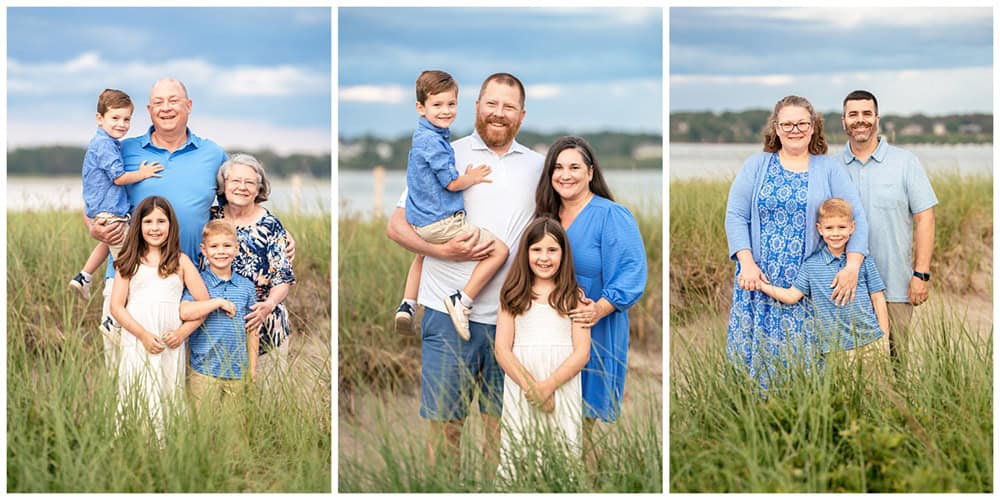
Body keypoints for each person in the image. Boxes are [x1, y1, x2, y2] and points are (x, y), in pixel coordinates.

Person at [386, 73, 544, 470]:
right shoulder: (444, 151)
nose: (498, 113)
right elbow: (397, 226)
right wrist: (440, 249)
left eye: (508, 107)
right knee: (445, 430)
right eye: (491, 103)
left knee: (503, 432)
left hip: (515, 320)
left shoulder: (540, 167)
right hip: (446, 316)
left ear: (521, 115)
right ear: (476, 106)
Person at [724, 95, 869, 389]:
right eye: (787, 124)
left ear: (813, 127)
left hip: (807, 285)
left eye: (802, 123)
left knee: (805, 364)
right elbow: (736, 215)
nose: (795, 130)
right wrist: (746, 263)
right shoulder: (757, 165)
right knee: (755, 360)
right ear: (776, 128)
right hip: (758, 280)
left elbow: (859, 218)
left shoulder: (827, 168)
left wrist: (852, 267)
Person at [90, 77, 227, 371]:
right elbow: (93, 195)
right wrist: (93, 226)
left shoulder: (213, 154)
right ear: (150, 110)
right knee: (124, 375)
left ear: (188, 106)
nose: (166, 108)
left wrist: (279, 236)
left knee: (180, 378)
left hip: (189, 282)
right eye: (159, 103)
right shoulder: (123, 150)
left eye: (174, 100)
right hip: (128, 281)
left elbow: (237, 206)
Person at [533, 135, 647, 469]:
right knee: (547, 424)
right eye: (557, 167)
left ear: (590, 172)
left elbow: (632, 272)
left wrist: (599, 308)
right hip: (547, 332)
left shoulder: (611, 215)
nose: (565, 175)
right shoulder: (544, 217)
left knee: (578, 427)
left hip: (593, 327)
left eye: (574, 167)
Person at [395, 70, 509, 341]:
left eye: (451, 104)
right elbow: (450, 184)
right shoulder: (434, 142)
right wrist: (471, 177)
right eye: (437, 105)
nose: (446, 111)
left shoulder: (423, 136)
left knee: (422, 254)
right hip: (440, 223)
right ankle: (463, 301)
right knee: (500, 251)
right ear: (420, 108)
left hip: (420, 221)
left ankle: (408, 303)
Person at [839, 90, 938, 360]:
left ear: (877, 119)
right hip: (846, 288)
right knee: (849, 367)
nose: (861, 120)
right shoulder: (831, 167)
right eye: (853, 115)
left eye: (867, 114)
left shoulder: (905, 163)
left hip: (896, 285)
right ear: (844, 121)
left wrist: (921, 274)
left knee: (897, 362)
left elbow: (925, 218)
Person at [494, 217, 590, 479]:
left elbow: (582, 352)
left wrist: (547, 387)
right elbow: (502, 349)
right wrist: (532, 388)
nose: (544, 257)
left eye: (552, 250)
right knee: (519, 453)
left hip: (560, 386)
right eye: (536, 249)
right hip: (523, 385)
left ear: (563, 254)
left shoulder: (575, 297)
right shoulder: (512, 294)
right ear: (526, 253)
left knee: (562, 453)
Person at [109, 196, 211, 442]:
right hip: (138, 338)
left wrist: (182, 333)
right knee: (138, 385)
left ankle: (164, 446)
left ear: (171, 225)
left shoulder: (181, 261)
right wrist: (142, 335)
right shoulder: (129, 260)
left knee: (166, 387)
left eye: (161, 221)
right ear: (139, 226)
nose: (155, 228)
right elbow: (116, 307)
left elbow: (203, 305)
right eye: (148, 221)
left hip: (169, 340)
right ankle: (132, 441)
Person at [758, 198, 889, 364]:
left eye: (841, 227)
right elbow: (791, 296)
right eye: (829, 228)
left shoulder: (863, 261)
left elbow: (877, 298)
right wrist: (761, 284)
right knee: (844, 390)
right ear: (820, 229)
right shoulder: (811, 265)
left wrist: (884, 336)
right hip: (836, 350)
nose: (835, 233)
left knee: (878, 389)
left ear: (852, 227)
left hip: (871, 342)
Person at [69, 89, 164, 299]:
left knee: (108, 244)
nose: (121, 124)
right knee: (127, 263)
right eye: (115, 118)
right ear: (99, 118)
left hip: (105, 211)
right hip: (110, 212)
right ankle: (119, 306)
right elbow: (118, 178)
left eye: (126, 119)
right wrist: (143, 173)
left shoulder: (108, 142)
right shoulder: (104, 145)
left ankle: (84, 275)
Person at [210, 153, 295, 385]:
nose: (242, 187)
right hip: (217, 328)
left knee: (266, 401)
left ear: (259, 189)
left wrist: (269, 305)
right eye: (235, 181)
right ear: (223, 185)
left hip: (264, 324)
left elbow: (282, 278)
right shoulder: (210, 219)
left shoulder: (271, 226)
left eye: (249, 182)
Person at [179, 220, 259, 407]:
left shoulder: (246, 287)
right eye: (214, 246)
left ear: (237, 248)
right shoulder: (199, 282)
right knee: (203, 428)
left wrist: (252, 370)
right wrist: (215, 303)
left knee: (235, 432)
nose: (221, 251)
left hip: (237, 373)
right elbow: (184, 311)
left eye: (227, 246)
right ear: (204, 250)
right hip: (203, 371)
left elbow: (253, 331)